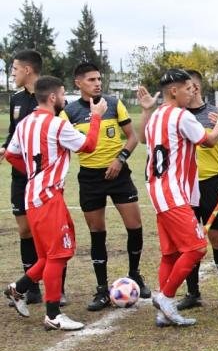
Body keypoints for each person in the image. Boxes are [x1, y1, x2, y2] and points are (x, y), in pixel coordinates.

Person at [3, 75, 103, 329]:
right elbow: (89, 146)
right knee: (58, 255)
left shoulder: (25, 123)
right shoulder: (57, 125)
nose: (64, 99)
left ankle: (18, 289)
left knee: (51, 254)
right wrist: (96, 116)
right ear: (52, 98)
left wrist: (35, 174)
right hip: (47, 197)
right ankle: (53, 315)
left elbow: (11, 155)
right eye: (61, 94)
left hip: (34, 195)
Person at [136, 69, 218, 327]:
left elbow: (144, 137)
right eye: (189, 88)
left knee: (171, 253)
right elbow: (210, 140)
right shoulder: (180, 115)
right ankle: (166, 298)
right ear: (174, 91)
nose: (193, 92)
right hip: (173, 192)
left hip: (158, 190)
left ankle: (163, 311)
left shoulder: (157, 115)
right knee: (196, 247)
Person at [60, 62, 149, 311]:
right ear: (78, 83)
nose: (97, 83)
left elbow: (133, 137)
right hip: (90, 178)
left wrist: (120, 160)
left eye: (99, 79)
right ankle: (101, 289)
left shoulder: (113, 103)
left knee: (135, 226)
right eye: (91, 80)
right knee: (97, 232)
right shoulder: (70, 113)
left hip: (119, 174)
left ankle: (135, 275)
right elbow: (67, 144)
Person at [175, 70, 218, 312]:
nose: (188, 90)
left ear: (197, 87)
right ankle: (193, 293)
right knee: (189, 242)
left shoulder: (216, 115)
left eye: (191, 86)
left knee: (217, 238)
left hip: (210, 184)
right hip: (183, 187)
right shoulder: (176, 115)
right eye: (184, 87)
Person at [4, 49, 44, 305]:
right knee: (24, 230)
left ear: (27, 70)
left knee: (45, 233)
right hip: (20, 175)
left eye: (15, 69)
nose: (12, 73)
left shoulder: (49, 96)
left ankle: (55, 287)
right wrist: (5, 148)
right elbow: (13, 133)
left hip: (42, 176)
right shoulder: (16, 99)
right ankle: (31, 287)